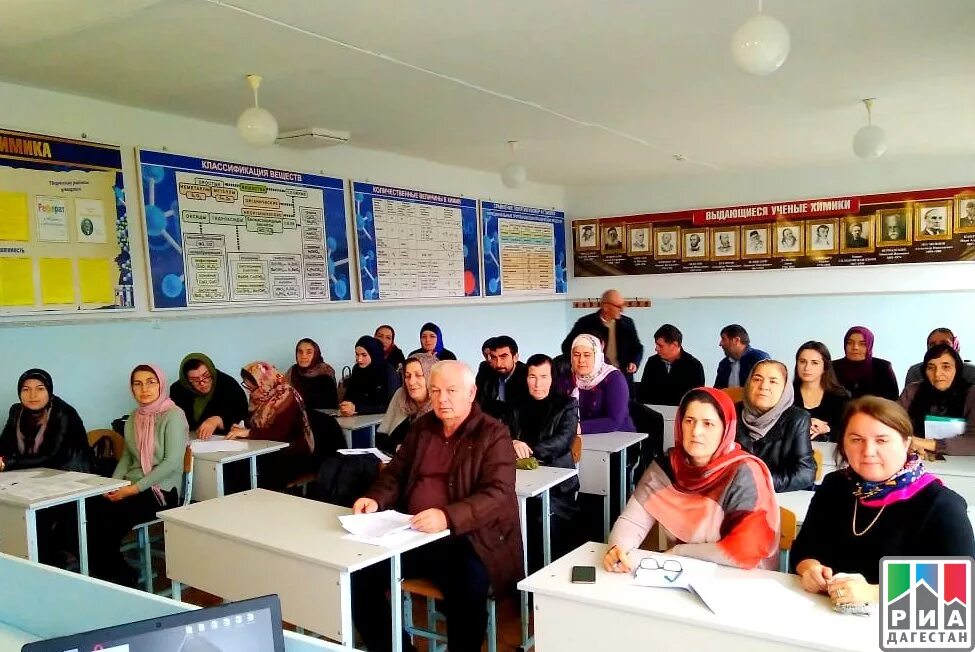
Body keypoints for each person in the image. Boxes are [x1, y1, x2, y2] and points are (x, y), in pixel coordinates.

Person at [351, 361, 522, 652]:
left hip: (471, 538)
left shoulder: (493, 434)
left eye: (451, 391)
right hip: (413, 532)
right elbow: (397, 472)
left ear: (471, 393)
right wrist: (376, 498)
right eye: (436, 391)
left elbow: (498, 493)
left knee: (467, 589)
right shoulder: (422, 428)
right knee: (360, 575)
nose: (442, 399)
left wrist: (447, 516)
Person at [791, 397, 974, 605]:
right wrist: (809, 568)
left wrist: (873, 593)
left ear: (906, 443)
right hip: (823, 615)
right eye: (856, 439)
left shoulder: (941, 505)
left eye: (882, 440)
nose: (868, 451)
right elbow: (803, 548)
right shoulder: (835, 486)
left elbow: (960, 584)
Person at [604, 387, 779, 572]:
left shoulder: (744, 473)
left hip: (739, 577)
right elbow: (633, 521)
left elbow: (746, 550)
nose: (696, 431)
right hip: (680, 572)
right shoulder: (666, 466)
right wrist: (618, 548)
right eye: (689, 421)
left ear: (725, 429)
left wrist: (680, 552)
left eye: (708, 424)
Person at [86, 365, 187, 585]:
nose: (144, 389)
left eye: (151, 382)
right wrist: (111, 485)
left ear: (161, 384)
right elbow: (128, 458)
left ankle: (122, 579)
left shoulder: (174, 416)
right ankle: (108, 574)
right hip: (131, 486)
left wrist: (132, 489)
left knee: (106, 523)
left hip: (160, 491)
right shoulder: (134, 417)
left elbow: (171, 463)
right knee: (88, 513)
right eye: (137, 383)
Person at [0, 369, 94, 567]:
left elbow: (53, 456)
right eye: (26, 389)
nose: (32, 395)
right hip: (33, 480)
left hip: (72, 480)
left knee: (33, 521)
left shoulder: (63, 412)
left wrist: (9, 463)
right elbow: (4, 445)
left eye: (39, 389)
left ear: (49, 391)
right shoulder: (16, 412)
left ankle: (49, 565)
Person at [510, 354, 581, 562]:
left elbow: (563, 441)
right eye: (532, 376)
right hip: (520, 480)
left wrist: (528, 449)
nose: (537, 383)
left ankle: (540, 570)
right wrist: (513, 443)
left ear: (553, 378)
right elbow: (502, 435)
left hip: (557, 489)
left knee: (536, 517)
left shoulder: (567, 404)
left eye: (543, 376)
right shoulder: (515, 405)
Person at [230, 361, 318, 489]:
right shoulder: (259, 397)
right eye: (247, 387)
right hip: (268, 450)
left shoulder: (286, 397)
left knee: (250, 472)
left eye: (253, 388)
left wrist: (248, 433)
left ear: (264, 382)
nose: (251, 393)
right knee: (237, 467)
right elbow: (254, 425)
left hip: (293, 454)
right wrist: (243, 428)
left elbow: (281, 433)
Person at [736, 360, 815, 492]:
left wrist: (758, 483)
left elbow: (805, 473)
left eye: (773, 381)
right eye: (757, 379)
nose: (763, 386)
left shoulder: (797, 419)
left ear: (784, 388)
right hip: (734, 496)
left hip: (778, 496)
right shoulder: (731, 413)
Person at [901, 344, 975, 456]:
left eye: (946, 367)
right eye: (931, 367)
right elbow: (892, 424)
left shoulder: (971, 394)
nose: (937, 374)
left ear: (957, 368)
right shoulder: (912, 391)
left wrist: (926, 443)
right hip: (915, 457)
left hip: (962, 463)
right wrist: (906, 442)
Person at [562, 288, 643, 387]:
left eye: (623, 305)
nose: (622, 310)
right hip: (593, 381)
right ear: (605, 307)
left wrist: (634, 362)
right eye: (618, 306)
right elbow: (566, 346)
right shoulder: (585, 323)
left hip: (622, 379)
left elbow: (638, 347)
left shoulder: (628, 323)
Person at [170, 353, 248, 439]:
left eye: (206, 376)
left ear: (211, 371)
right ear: (186, 380)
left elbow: (242, 415)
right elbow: (173, 419)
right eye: (195, 380)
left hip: (226, 441)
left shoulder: (228, 384)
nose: (202, 383)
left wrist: (219, 420)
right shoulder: (178, 389)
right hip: (190, 441)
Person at [570, 334, 635, 433]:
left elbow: (614, 421)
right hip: (582, 438)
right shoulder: (568, 377)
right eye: (576, 354)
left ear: (597, 356)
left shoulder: (614, 378)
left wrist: (576, 428)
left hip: (620, 438)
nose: (581, 360)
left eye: (587, 355)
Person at [376, 353, 437, 454]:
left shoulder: (441, 405)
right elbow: (382, 435)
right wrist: (397, 449)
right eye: (407, 376)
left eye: (419, 375)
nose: (411, 382)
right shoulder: (401, 395)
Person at [793, 342, 850, 442]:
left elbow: (850, 432)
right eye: (802, 361)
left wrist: (827, 429)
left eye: (814, 363)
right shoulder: (785, 395)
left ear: (825, 367)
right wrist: (804, 424)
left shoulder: (840, 397)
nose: (807, 368)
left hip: (831, 453)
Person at [636, 324, 705, 406]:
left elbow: (696, 399)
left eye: (660, 346)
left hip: (680, 414)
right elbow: (643, 392)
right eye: (656, 345)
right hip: (652, 413)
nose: (656, 349)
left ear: (674, 345)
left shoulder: (694, 366)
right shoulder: (652, 361)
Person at [832, 326, 899, 400]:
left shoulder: (882, 367)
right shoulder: (832, 367)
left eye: (862, 344)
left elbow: (893, 400)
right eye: (850, 343)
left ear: (869, 346)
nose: (855, 347)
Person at [340, 336, 400, 416]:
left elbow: (392, 405)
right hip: (356, 419)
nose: (359, 359)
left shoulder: (388, 371)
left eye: (364, 355)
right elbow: (348, 396)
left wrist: (357, 408)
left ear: (374, 354)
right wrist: (345, 406)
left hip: (382, 421)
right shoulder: (357, 369)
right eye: (357, 354)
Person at [476, 335, 529, 422]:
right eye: (493, 358)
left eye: (503, 357)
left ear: (515, 357)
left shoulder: (527, 374)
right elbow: (479, 402)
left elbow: (518, 410)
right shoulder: (486, 369)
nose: (498, 364)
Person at [904, 327, 975, 386]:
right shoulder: (916, 372)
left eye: (944, 343)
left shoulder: (969, 371)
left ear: (955, 346)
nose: (938, 347)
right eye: (933, 345)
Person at [286, 338, 338, 411]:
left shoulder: (325, 373)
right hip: (295, 417)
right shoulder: (292, 371)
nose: (303, 356)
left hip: (321, 417)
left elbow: (330, 407)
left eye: (309, 352)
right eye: (300, 352)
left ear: (315, 354)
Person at [714, 324, 769, 389]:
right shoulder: (724, 364)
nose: (720, 344)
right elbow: (718, 391)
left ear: (736, 340)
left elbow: (765, 388)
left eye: (723, 339)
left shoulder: (759, 360)